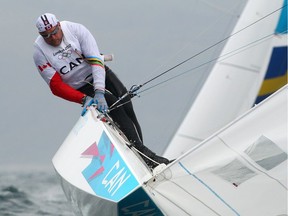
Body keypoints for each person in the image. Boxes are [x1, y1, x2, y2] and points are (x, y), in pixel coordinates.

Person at [33, 13, 170, 168]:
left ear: (58, 25)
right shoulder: (39, 51)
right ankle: (148, 158)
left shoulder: (75, 29)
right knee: (113, 105)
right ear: (40, 35)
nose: (52, 38)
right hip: (80, 85)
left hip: (97, 72)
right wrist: (82, 98)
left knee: (125, 104)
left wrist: (99, 91)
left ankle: (142, 155)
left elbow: (96, 61)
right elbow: (56, 86)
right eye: (46, 36)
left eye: (54, 32)